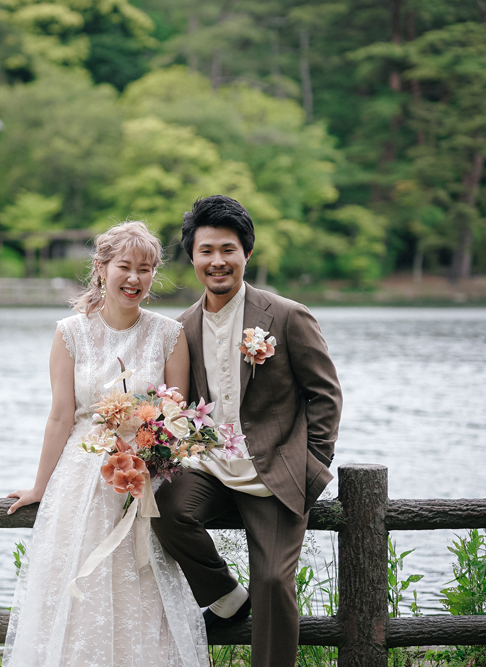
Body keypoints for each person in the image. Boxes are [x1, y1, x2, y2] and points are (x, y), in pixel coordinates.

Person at [4, 221, 209, 667]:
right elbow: (60, 415)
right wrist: (39, 487)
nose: (134, 278)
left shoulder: (169, 335)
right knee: (78, 590)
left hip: (144, 478)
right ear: (100, 268)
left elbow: (178, 417)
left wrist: (152, 450)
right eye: (124, 267)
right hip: (81, 479)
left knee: (143, 589)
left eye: (145, 269)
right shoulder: (69, 333)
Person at [151, 195, 343, 667]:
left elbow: (326, 395)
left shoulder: (286, 316)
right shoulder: (182, 328)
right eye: (206, 251)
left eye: (228, 250)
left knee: (275, 582)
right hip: (210, 465)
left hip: (276, 471)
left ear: (246, 254)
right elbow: (178, 403)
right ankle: (226, 596)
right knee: (158, 507)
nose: (217, 261)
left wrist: (313, 464)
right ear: (193, 258)